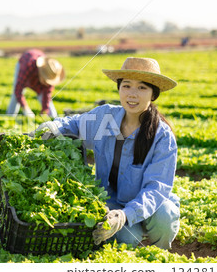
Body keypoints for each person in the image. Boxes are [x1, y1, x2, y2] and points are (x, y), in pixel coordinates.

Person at [34, 57, 180, 249]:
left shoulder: (162, 136)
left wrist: (126, 215)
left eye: (142, 88)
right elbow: (76, 123)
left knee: (164, 218)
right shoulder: (105, 117)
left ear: (153, 94)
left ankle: (160, 255)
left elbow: (156, 188)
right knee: (127, 239)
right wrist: (53, 126)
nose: (132, 94)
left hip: (150, 205)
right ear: (119, 88)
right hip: (112, 202)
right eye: (126, 86)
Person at [6, 49, 65, 118]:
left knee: (44, 98)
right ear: (42, 73)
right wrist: (26, 109)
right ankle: (10, 117)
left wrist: (44, 110)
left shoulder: (50, 72)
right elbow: (18, 91)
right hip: (23, 65)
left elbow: (47, 95)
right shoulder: (27, 67)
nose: (47, 82)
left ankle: (54, 119)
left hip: (37, 71)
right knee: (15, 96)